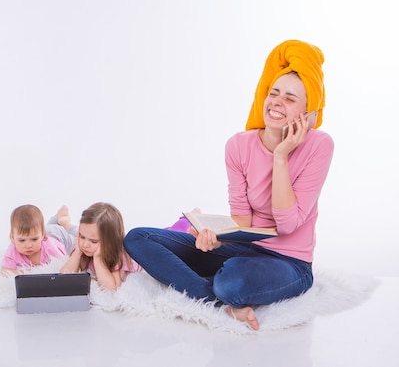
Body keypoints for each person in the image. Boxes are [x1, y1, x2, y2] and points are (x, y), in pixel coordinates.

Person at [124, 40, 334, 330]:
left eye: (290, 98)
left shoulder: (319, 145)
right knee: (138, 238)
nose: (276, 102)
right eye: (273, 93)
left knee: (231, 280)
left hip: (290, 263)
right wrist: (215, 238)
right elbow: (242, 221)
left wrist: (281, 156)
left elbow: (287, 225)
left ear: (308, 114)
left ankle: (218, 287)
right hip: (243, 251)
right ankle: (217, 302)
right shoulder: (238, 146)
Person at [61, 202, 140, 291]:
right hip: (83, 232)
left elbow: (111, 288)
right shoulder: (85, 242)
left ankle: (66, 224)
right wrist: (77, 252)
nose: (85, 244)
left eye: (93, 241)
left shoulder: (120, 254)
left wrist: (98, 259)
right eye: (82, 237)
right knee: (64, 231)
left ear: (110, 242)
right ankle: (66, 223)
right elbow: (62, 279)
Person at [1, 205, 78, 274]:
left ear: (43, 236)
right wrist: (27, 272)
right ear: (12, 238)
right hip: (40, 231)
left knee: (79, 238)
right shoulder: (12, 250)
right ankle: (58, 216)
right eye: (22, 240)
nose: (28, 245)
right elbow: (5, 272)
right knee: (43, 228)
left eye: (34, 240)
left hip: (57, 234)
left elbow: (64, 264)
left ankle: (66, 223)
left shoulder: (51, 247)